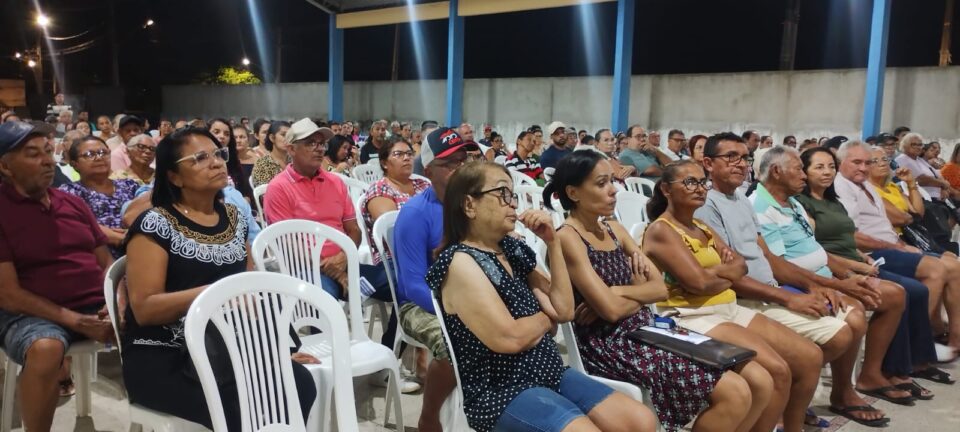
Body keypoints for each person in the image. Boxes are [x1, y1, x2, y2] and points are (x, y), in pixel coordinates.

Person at [429, 161, 657, 432]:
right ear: (469, 205)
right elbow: (510, 338)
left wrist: (553, 242)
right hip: (502, 389)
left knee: (640, 421)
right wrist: (545, 320)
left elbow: (564, 312)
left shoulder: (513, 249)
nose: (512, 203)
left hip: (549, 371)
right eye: (502, 193)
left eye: (512, 194)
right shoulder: (460, 262)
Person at [552, 151, 768, 431]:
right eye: (601, 183)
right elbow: (611, 312)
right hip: (610, 342)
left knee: (758, 379)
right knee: (735, 392)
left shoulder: (614, 228)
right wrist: (628, 294)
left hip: (648, 328)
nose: (613, 190)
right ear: (574, 192)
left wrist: (616, 291)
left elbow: (658, 290)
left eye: (612, 181)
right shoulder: (568, 237)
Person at [121, 127, 317, 430]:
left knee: (298, 384)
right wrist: (216, 293)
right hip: (166, 354)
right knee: (247, 406)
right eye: (199, 158)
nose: (216, 163)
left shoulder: (234, 219)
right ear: (174, 176)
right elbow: (145, 309)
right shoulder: (155, 224)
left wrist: (275, 349)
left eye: (218, 154)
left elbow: (253, 288)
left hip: (229, 346)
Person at [705, 141, 895, 426]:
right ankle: (790, 405)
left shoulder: (741, 199)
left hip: (768, 289)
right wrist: (790, 296)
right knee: (828, 341)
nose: (741, 164)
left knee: (844, 328)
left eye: (744, 158)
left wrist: (813, 286)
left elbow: (767, 257)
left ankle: (794, 402)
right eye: (731, 157)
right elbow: (731, 276)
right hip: (744, 298)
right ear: (709, 163)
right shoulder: (709, 205)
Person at [643, 159, 809, 432]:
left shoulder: (701, 227)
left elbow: (740, 265)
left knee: (779, 370)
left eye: (702, 182)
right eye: (690, 182)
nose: (700, 189)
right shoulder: (662, 229)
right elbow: (698, 283)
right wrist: (723, 274)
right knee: (775, 373)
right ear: (666, 190)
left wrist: (715, 275)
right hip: (691, 316)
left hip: (726, 307)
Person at [796, 146, 948, 396]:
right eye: (819, 167)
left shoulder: (833, 200)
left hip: (857, 259)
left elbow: (849, 236)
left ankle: (909, 364)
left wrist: (862, 257)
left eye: (830, 167)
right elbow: (815, 248)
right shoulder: (802, 203)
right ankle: (879, 372)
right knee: (901, 292)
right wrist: (857, 265)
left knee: (919, 289)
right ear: (804, 171)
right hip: (835, 266)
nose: (827, 172)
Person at [0, 121, 114, 432]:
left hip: (94, 305)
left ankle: (155, 421)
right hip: (30, 314)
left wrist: (114, 304)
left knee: (159, 329)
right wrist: (75, 321)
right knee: (46, 348)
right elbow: (8, 294)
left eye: (49, 151)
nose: (48, 160)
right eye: (33, 154)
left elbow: (106, 262)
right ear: (5, 166)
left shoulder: (72, 203)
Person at [832, 142, 960, 361]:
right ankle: (919, 342)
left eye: (869, 162)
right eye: (859, 162)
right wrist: (897, 245)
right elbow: (853, 235)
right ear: (841, 163)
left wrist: (900, 243)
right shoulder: (842, 187)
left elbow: (913, 214)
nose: (865, 167)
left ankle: (952, 339)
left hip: (890, 244)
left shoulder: (868, 186)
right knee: (935, 269)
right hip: (871, 252)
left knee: (953, 265)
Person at [394, 128, 479, 431]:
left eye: (464, 161)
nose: (461, 169)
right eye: (450, 164)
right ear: (428, 170)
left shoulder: (473, 207)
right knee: (454, 343)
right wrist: (455, 308)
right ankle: (429, 416)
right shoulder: (416, 214)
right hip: (420, 305)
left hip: (470, 298)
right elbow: (412, 284)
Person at [60, 136, 139, 257]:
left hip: (139, 252)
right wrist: (122, 238)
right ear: (74, 164)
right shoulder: (69, 192)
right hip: (95, 258)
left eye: (104, 152)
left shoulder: (130, 185)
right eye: (89, 154)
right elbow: (78, 226)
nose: (99, 157)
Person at [359, 138, 430, 265]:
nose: (406, 158)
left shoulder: (423, 184)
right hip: (395, 261)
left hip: (428, 251)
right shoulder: (380, 189)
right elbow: (392, 233)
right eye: (398, 154)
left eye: (409, 153)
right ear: (384, 163)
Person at [895, 133, 960, 201]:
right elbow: (922, 180)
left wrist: (943, 188)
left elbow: (937, 175)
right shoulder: (903, 159)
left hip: (937, 198)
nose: (918, 147)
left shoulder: (919, 159)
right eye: (914, 144)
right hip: (923, 199)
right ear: (905, 145)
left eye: (920, 144)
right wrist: (942, 184)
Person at [207, 118, 254, 202]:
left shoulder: (233, 162)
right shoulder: (202, 162)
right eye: (216, 132)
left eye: (227, 134)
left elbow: (246, 194)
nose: (222, 136)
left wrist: (243, 201)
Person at [250, 120, 291, 187]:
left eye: (290, 135)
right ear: (272, 138)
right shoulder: (263, 164)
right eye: (283, 135)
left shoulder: (294, 161)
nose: (288, 139)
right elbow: (264, 194)